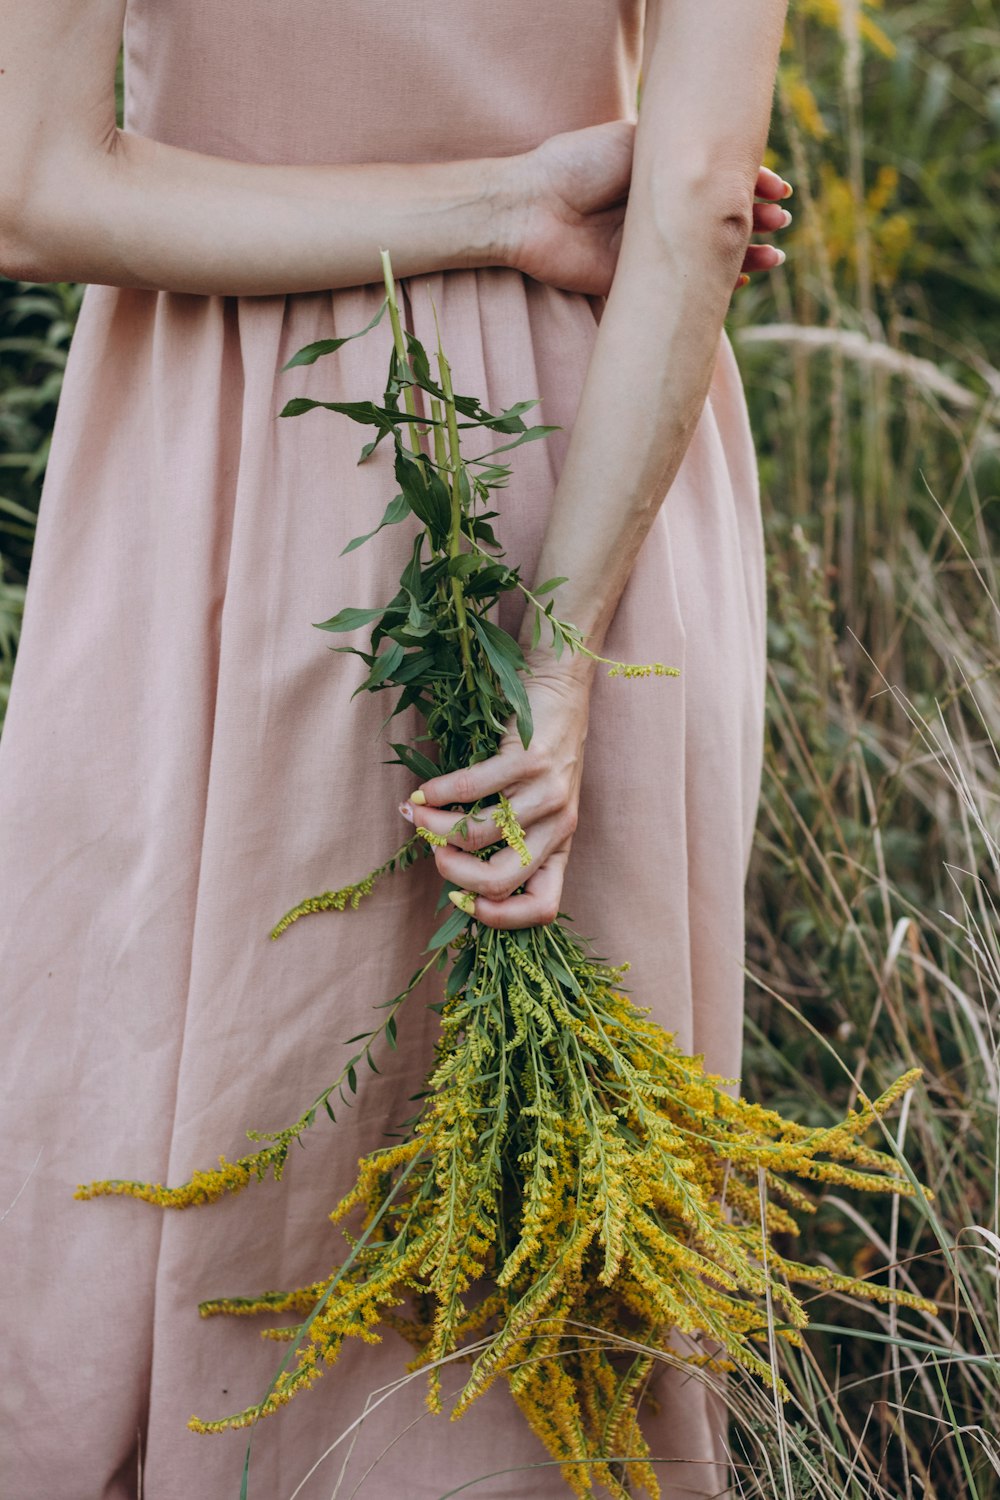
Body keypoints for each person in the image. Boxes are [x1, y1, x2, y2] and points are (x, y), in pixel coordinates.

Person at [0, 1, 790, 1496]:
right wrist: (559, 659)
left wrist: (501, 205)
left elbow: (27, 187)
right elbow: (694, 198)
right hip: (591, 451)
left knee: (182, 1112)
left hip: (229, 448)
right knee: (555, 1268)